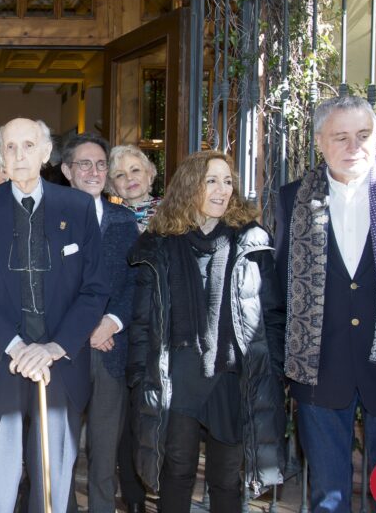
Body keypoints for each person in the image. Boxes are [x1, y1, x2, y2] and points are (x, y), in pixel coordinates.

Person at [275, 95, 376, 513]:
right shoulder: (292, 200)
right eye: (341, 137)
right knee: (328, 498)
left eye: (364, 135)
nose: (354, 147)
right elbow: (278, 285)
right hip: (321, 367)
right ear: (320, 142)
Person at [0, 118, 110, 513]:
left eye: (28, 145)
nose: (19, 155)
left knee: (52, 485)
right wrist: (15, 345)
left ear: (46, 153)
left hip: (60, 363)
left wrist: (55, 346)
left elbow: (95, 288)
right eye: (10, 147)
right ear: (1, 156)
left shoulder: (77, 207)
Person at [127, 150, 285, 513]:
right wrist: (138, 376)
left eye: (227, 181)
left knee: (227, 478)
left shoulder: (251, 241)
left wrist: (273, 371)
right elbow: (143, 318)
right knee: (177, 470)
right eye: (211, 180)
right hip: (178, 373)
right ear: (189, 186)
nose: (221, 189)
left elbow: (273, 314)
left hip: (231, 376)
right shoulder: (161, 243)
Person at [60, 133, 139, 513]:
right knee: (62, 448)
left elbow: (133, 279)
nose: (93, 171)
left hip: (111, 348)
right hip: (66, 349)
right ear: (66, 171)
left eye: (100, 164)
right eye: (84, 164)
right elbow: (51, 285)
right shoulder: (50, 218)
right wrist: (85, 327)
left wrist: (111, 322)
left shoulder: (123, 218)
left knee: (105, 452)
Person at [107, 145, 161, 233]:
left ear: (149, 175)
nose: (129, 178)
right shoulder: (106, 219)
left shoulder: (171, 212)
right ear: (112, 187)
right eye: (120, 175)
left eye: (135, 170)